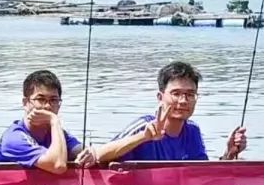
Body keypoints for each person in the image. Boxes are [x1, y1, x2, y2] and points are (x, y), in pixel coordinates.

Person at [95, 61, 247, 162]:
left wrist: (228, 154)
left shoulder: (192, 131)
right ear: (160, 97)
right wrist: (143, 137)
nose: (183, 101)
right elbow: (98, 155)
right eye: (176, 94)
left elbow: (201, 176)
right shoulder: (144, 126)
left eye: (190, 94)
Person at [0, 69, 95, 172]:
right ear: (25, 103)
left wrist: (90, 154)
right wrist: (54, 121)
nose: (47, 106)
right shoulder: (14, 139)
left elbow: (80, 150)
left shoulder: (56, 134)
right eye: (41, 99)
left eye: (53, 100)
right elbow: (58, 166)